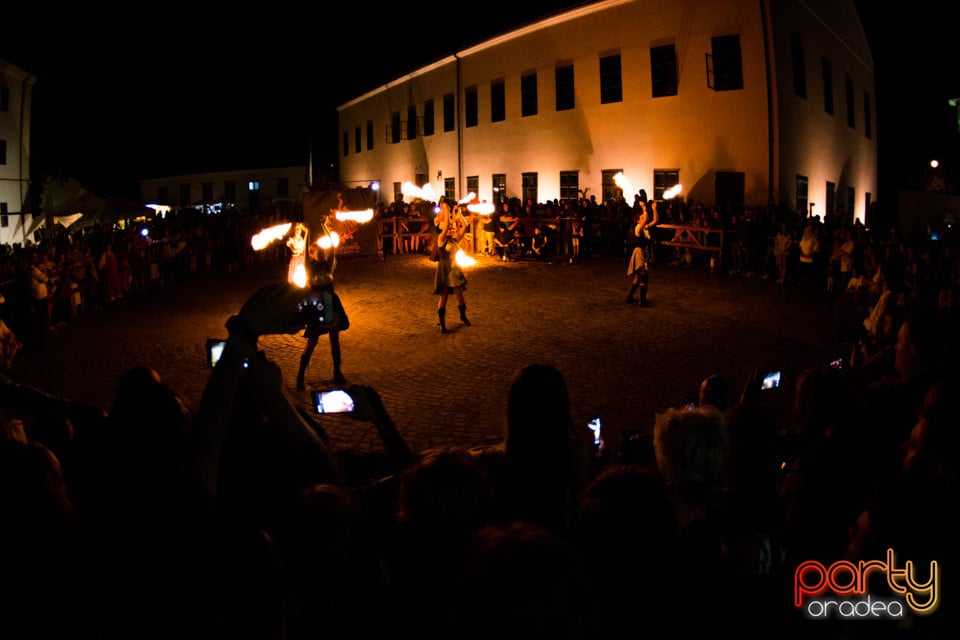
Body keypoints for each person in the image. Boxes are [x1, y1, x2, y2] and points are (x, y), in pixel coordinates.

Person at [294, 219, 350, 390]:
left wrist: (325, 227)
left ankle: (337, 372)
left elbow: (332, 247)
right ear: (312, 254)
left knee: (334, 339)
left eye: (320, 251)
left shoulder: (328, 265)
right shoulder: (309, 267)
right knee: (312, 342)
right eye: (316, 251)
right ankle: (300, 376)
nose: (320, 252)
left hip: (329, 303)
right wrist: (306, 233)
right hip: (316, 306)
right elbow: (303, 251)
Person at [433, 202, 470, 333]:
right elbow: (448, 225)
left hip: (454, 270)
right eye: (451, 228)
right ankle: (442, 324)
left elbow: (465, 225)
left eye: (453, 229)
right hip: (444, 270)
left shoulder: (455, 239)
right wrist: (447, 210)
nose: (453, 229)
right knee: (443, 297)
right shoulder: (441, 238)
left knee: (459, 295)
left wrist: (459, 214)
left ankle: (463, 316)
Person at [625, 200, 658, 305]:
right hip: (639, 252)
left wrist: (654, 208)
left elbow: (656, 220)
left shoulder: (645, 228)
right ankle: (642, 301)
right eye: (642, 218)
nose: (644, 219)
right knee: (644, 276)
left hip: (643, 251)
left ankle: (629, 297)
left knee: (638, 277)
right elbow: (647, 218)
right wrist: (644, 207)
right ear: (638, 221)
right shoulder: (638, 228)